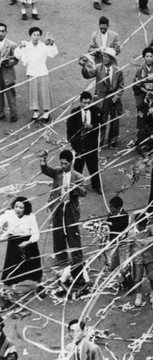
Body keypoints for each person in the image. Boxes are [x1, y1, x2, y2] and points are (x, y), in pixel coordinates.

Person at [40, 150, 87, 281]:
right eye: (61, 163)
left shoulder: (78, 176)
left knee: (73, 233)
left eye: (65, 164)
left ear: (71, 163)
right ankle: (61, 258)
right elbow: (47, 170)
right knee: (58, 232)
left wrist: (76, 188)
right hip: (58, 207)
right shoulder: (58, 171)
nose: (63, 166)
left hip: (71, 209)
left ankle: (77, 258)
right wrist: (43, 161)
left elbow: (84, 192)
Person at [80, 47, 124, 148]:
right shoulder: (98, 67)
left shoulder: (118, 71)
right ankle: (99, 141)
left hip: (113, 98)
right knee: (101, 119)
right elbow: (88, 74)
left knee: (114, 119)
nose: (104, 58)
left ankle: (112, 141)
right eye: (103, 55)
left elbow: (121, 87)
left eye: (106, 56)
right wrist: (84, 66)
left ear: (111, 59)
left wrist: (116, 97)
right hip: (101, 98)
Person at [0, 197, 44, 295]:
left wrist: (28, 242)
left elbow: (36, 233)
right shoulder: (9, 214)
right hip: (14, 242)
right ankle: (7, 288)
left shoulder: (31, 217)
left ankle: (39, 285)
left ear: (26, 209)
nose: (18, 209)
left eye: (21, 207)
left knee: (34, 265)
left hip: (29, 243)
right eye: (16, 206)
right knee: (11, 265)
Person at [14, 26, 58, 123]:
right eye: (34, 35)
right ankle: (36, 112)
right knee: (33, 93)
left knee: (44, 92)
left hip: (42, 72)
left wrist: (52, 43)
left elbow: (53, 53)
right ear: (30, 35)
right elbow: (17, 54)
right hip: (31, 72)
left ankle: (46, 112)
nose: (36, 37)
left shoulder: (43, 45)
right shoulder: (26, 45)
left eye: (38, 35)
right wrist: (20, 47)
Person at [67, 91, 103, 194]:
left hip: (91, 144)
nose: (86, 105)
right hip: (79, 145)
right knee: (78, 167)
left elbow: (102, 124)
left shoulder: (96, 111)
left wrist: (93, 127)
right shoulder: (74, 112)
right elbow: (70, 129)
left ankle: (96, 185)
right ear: (80, 102)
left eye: (88, 102)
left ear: (91, 101)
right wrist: (72, 143)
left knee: (93, 166)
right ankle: (76, 186)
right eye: (84, 103)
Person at [128, 213, 153, 306]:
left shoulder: (149, 228)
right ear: (136, 224)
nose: (142, 228)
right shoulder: (131, 233)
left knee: (152, 276)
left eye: (144, 225)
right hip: (138, 259)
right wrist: (127, 259)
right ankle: (139, 295)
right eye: (140, 225)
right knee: (137, 278)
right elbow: (128, 246)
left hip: (149, 257)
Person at [133, 47, 153, 132]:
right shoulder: (140, 70)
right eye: (147, 56)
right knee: (142, 116)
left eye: (151, 56)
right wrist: (146, 92)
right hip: (143, 96)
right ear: (144, 57)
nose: (149, 58)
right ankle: (141, 138)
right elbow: (137, 83)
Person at [0, 23, 19, 123]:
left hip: (7, 73)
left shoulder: (12, 44)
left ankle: (13, 114)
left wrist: (7, 63)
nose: (1, 33)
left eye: (3, 31)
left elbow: (16, 59)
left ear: (6, 32)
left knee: (10, 95)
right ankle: (1, 113)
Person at [107, 196, 129, 272]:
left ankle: (124, 272)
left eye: (111, 207)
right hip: (113, 240)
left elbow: (119, 225)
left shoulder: (124, 215)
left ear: (118, 208)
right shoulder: (110, 214)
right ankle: (112, 268)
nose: (110, 209)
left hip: (122, 240)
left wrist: (109, 224)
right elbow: (108, 225)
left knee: (122, 257)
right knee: (114, 255)